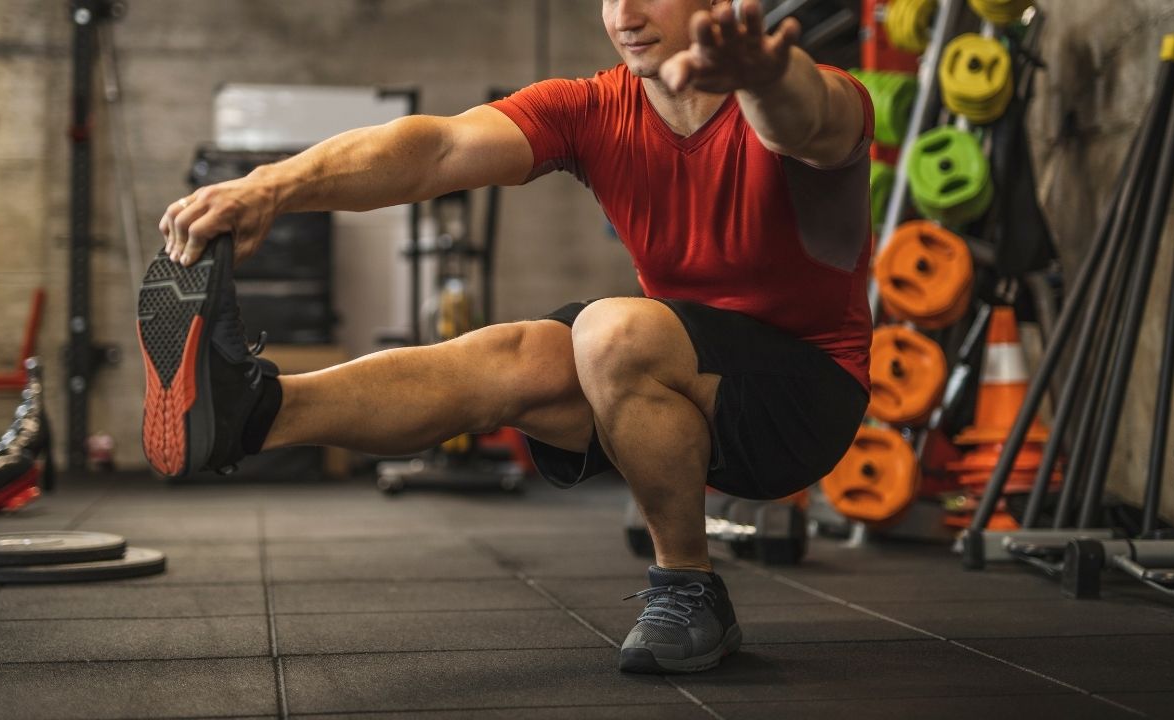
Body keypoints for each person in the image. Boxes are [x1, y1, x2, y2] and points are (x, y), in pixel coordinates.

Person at [140, 0, 873, 674]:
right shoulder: (593, 108)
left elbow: (807, 119)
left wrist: (768, 79)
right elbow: (434, 149)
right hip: (684, 383)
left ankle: (687, 587)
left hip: (804, 402)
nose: (625, 13)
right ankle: (254, 416)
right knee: (514, 355)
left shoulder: (816, 93)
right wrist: (274, 184)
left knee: (612, 330)